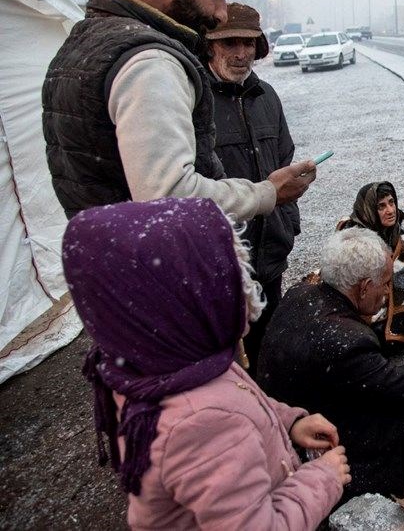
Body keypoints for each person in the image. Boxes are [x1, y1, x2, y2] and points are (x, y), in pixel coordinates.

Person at [64, 198, 349, 529]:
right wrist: (322, 479)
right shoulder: (203, 423)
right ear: (190, 304)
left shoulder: (163, 362)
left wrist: (287, 422)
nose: (246, 291)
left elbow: (233, 395)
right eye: (232, 279)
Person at [42, 0, 315, 221]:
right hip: (153, 263)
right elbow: (170, 198)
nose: (221, 14)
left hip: (110, 256)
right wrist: (268, 192)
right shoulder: (149, 61)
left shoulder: (89, 41)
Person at [258, 228, 404, 501]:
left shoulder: (298, 294)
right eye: (384, 283)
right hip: (317, 441)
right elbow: (402, 386)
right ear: (362, 288)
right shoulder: (347, 339)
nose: (388, 291)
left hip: (292, 417)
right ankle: (379, 473)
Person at [205, 2, 301, 375]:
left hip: (270, 255)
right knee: (226, 364)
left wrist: (287, 223)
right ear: (210, 45)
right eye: (230, 43)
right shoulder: (197, 103)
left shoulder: (268, 97)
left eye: (249, 43)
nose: (242, 53)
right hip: (222, 262)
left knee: (268, 353)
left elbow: (285, 158)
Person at [339, 181, 404, 341]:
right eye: (381, 206)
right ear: (369, 210)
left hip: (393, 285)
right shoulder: (352, 235)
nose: (390, 210)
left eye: (391, 202)